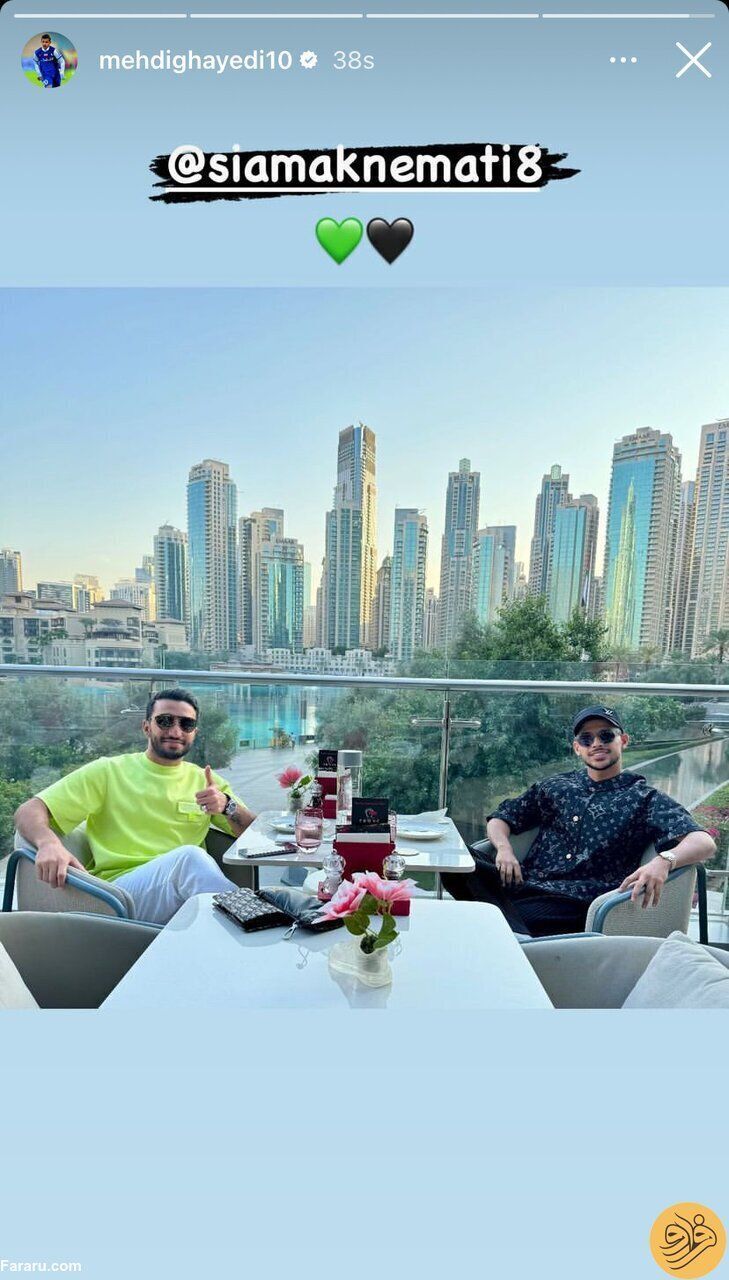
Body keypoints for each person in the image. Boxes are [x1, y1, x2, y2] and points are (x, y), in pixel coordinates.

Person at [441, 704, 716, 937]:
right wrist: (504, 849)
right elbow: (502, 818)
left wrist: (664, 861)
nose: (596, 744)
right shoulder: (555, 787)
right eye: (586, 739)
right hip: (522, 882)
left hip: (574, 901)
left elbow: (703, 842)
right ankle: (509, 928)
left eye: (606, 735)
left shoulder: (644, 798)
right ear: (577, 748)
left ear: (623, 741)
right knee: (453, 858)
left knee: (498, 920)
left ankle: (507, 928)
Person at [14, 688, 256, 925]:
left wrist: (227, 806)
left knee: (197, 882)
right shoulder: (109, 771)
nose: (175, 731)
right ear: (146, 726)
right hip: (119, 895)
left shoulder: (205, 780)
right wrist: (48, 843)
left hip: (184, 894)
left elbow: (256, 836)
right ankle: (255, 919)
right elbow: (29, 811)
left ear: (194, 732)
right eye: (165, 721)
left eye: (186, 724)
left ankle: (247, 925)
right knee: (190, 859)